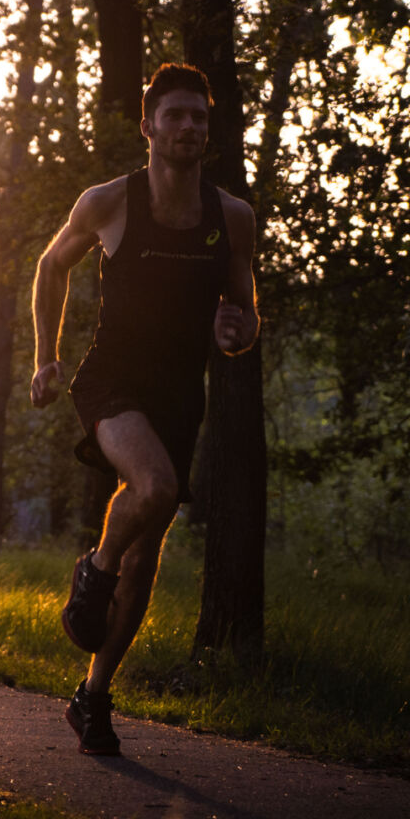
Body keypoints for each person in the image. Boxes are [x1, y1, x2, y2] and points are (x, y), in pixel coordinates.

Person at [29, 63, 259, 756]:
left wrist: (237, 332)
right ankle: (93, 569)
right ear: (149, 126)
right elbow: (50, 266)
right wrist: (46, 355)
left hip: (180, 393)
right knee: (154, 487)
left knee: (149, 553)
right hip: (110, 379)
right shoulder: (109, 202)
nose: (189, 126)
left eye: (199, 117)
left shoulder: (232, 217)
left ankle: (93, 696)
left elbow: (247, 315)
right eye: (176, 115)